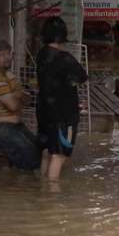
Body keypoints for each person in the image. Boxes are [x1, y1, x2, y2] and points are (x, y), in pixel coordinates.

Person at [36, 17, 89, 180]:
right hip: (63, 116)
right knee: (58, 155)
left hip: (44, 111)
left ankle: (43, 189)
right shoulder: (65, 58)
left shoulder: (41, 55)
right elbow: (82, 76)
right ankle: (52, 198)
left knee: (47, 153)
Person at [0, 39, 40, 170]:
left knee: (38, 147)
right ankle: (23, 187)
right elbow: (14, 105)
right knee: (29, 155)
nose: (8, 58)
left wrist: (15, 95)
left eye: (8, 53)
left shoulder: (7, 75)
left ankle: (23, 184)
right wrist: (17, 95)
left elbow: (27, 100)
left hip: (9, 123)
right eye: (2, 55)